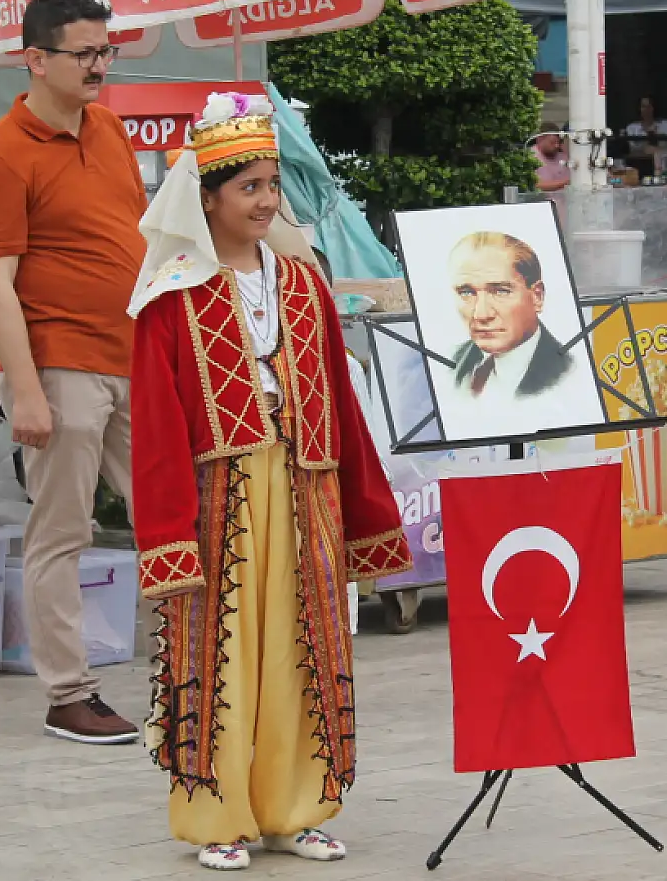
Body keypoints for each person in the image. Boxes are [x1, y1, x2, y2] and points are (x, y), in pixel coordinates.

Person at [128, 91, 413, 871]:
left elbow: (341, 404)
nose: (264, 200)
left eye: (270, 184)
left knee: (303, 643)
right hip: (220, 499)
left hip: (303, 487)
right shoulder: (171, 298)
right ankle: (215, 813)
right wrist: (166, 533)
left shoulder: (302, 283)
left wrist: (364, 511)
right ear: (207, 196)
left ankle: (296, 805)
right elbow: (154, 429)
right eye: (247, 186)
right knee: (222, 655)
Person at [0, 0, 146, 745]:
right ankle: (68, 691)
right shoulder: (1, 155)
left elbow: (134, 233)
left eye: (107, 50)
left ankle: (196, 660)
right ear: (36, 59)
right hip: (60, 358)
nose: (101, 65)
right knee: (62, 531)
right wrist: (26, 390)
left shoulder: (107, 127)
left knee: (174, 512)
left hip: (130, 351)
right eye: (86, 53)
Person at [437, 232, 598, 442]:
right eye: (467, 293)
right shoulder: (453, 363)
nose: (481, 314)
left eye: (500, 291)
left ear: (537, 296)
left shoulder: (571, 373)